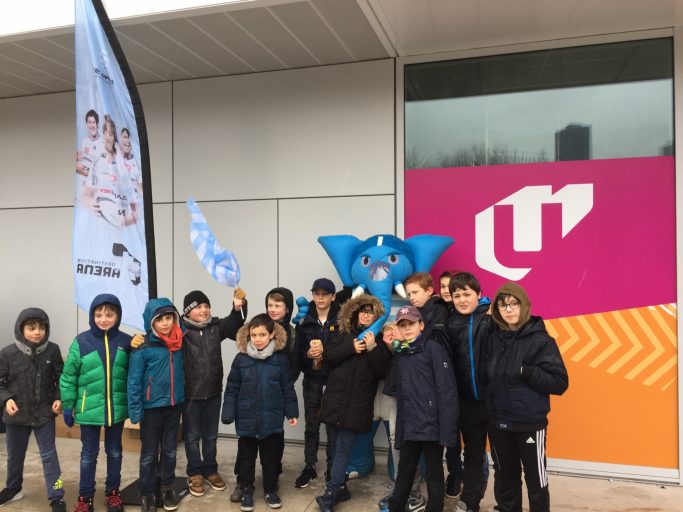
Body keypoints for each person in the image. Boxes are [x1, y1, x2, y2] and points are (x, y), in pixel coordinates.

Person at [482, 283, 569, 512]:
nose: (508, 309)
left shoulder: (541, 341)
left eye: (513, 304)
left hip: (528, 423)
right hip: (498, 421)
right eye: (502, 305)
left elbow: (560, 383)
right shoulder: (493, 339)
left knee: (536, 481)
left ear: (524, 306)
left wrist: (526, 371)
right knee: (504, 477)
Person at [315, 295, 391, 512]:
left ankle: (329, 495)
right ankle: (341, 488)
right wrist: (352, 348)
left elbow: (383, 372)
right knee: (333, 446)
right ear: (356, 313)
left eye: (371, 312)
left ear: (377, 316)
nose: (366, 315)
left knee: (343, 450)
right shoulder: (343, 333)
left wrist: (372, 348)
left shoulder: (379, 340)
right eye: (363, 311)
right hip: (334, 401)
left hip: (357, 406)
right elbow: (328, 356)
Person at [60, 295, 134, 512]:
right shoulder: (81, 342)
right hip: (88, 409)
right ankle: (85, 497)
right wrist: (68, 404)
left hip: (116, 410)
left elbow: (135, 372)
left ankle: (113, 492)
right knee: (88, 454)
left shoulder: (125, 341)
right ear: (92, 316)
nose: (104, 319)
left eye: (109, 314)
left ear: (118, 316)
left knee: (115, 452)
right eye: (99, 314)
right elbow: (68, 376)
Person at [221, 314, 299, 511]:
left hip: (271, 421)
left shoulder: (280, 360)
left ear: (272, 334)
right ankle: (246, 490)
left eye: (262, 334)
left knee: (270, 460)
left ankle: (270, 490)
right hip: (246, 420)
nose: (257, 339)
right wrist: (228, 412)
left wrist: (292, 413)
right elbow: (232, 388)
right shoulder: (241, 360)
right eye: (254, 335)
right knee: (246, 459)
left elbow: (287, 388)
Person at [388, 305, 458, 512]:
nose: (407, 328)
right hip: (410, 425)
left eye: (411, 323)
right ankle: (395, 506)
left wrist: (447, 431)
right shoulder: (401, 353)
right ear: (398, 329)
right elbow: (402, 395)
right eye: (403, 325)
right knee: (405, 469)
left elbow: (447, 391)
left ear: (421, 325)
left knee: (434, 473)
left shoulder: (434, 349)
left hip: (431, 426)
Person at [181, 289, 247, 498]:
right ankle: (195, 472)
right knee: (192, 437)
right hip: (190, 394)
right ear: (188, 311)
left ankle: (210, 469)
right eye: (198, 307)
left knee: (210, 436)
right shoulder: (180, 331)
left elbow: (234, 324)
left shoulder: (215, 327)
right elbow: (158, 331)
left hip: (213, 392)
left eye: (206, 306)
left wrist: (237, 308)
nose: (204, 310)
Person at [0, 308, 65, 512]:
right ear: (21, 329)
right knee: (15, 455)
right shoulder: (8, 353)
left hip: (44, 414)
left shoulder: (53, 351)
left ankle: (57, 495)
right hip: (16, 416)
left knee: (49, 455)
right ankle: (13, 488)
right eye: (31, 328)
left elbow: (61, 379)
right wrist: (6, 399)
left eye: (42, 328)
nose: (37, 332)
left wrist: (58, 398)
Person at [128, 298, 186, 512]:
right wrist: (135, 411)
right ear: (150, 321)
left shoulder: (180, 341)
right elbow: (134, 380)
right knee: (149, 453)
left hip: (174, 406)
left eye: (169, 317)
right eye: (159, 318)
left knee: (170, 451)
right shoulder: (143, 346)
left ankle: (166, 487)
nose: (165, 323)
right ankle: (147, 492)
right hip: (151, 408)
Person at [445, 272, 492, 511]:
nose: (462, 300)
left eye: (467, 294)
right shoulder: (451, 322)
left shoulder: (493, 318)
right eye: (457, 295)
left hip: (494, 401)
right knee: (473, 455)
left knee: (504, 457)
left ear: (479, 295)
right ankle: (470, 502)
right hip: (466, 403)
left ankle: (506, 503)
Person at [293, 278, 340, 488]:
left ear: (333, 296)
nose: (320, 298)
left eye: (325, 294)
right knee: (311, 426)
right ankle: (310, 467)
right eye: (316, 293)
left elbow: (345, 351)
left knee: (333, 428)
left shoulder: (342, 320)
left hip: (334, 382)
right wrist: (307, 353)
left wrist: (326, 353)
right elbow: (297, 354)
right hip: (311, 381)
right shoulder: (305, 320)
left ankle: (333, 469)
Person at [81, 114, 139, 228]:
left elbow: (136, 213)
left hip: (122, 232)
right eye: (106, 133)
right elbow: (86, 194)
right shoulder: (98, 164)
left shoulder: (125, 167)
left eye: (111, 133)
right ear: (103, 135)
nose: (109, 137)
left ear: (115, 137)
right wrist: (89, 203)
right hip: (101, 230)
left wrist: (125, 221)